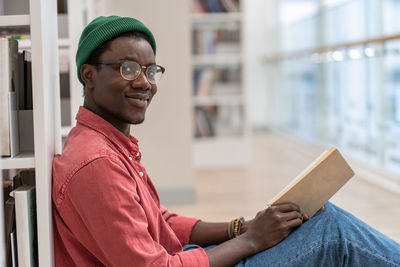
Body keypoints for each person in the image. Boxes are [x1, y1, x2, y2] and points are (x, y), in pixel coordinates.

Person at [52, 16, 400, 267]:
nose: (145, 82)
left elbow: (161, 221)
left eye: (151, 70)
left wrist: (242, 227)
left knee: (318, 219)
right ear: (89, 74)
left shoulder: (108, 146)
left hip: (184, 259)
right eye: (128, 69)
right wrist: (251, 241)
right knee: (332, 231)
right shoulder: (97, 163)